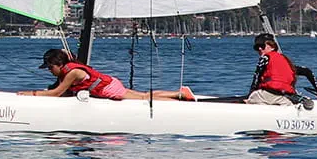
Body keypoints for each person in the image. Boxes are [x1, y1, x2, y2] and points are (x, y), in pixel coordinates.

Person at [19, 49, 194, 101]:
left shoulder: (72, 72)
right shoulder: (68, 66)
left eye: (50, 68)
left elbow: (57, 93)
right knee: (143, 95)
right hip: (110, 82)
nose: (50, 71)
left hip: (109, 89)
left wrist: (31, 94)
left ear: (58, 65)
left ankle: (178, 102)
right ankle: (179, 94)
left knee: (143, 99)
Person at [247, 33, 302, 105]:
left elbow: (256, 79)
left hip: (267, 95)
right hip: (284, 97)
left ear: (272, 46)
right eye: (256, 47)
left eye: (262, 46)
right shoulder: (285, 60)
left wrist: (250, 95)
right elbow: (307, 71)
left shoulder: (265, 58)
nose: (259, 49)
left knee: (251, 99)